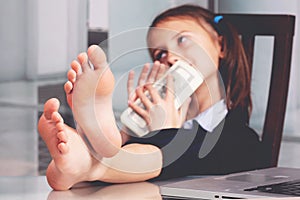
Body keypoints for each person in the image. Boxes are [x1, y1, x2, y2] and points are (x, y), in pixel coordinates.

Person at [38, 4, 268, 191]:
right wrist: (140, 126)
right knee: (146, 140)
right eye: (160, 53)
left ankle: (93, 160)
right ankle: (88, 161)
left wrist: (166, 130)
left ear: (222, 45)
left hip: (226, 158)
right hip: (152, 179)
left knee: (189, 143)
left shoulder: (238, 137)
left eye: (183, 40)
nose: (171, 56)